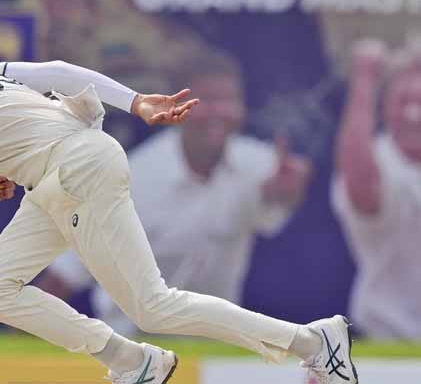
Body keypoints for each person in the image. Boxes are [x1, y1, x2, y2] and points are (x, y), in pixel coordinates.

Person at [0, 27, 358, 384]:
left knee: (152, 305)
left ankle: (315, 344)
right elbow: (61, 71)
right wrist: (135, 101)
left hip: (72, 172)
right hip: (62, 170)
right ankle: (131, 360)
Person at [39, 52, 312, 337]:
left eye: (229, 100)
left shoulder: (258, 164)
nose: (220, 111)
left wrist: (289, 193)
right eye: (207, 100)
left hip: (213, 345)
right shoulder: (132, 178)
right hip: (133, 347)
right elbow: (68, 272)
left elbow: (274, 207)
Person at [333, 38, 421, 339]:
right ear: (384, 107)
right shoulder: (377, 160)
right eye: (403, 101)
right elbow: (363, 189)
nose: (413, 114)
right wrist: (364, 82)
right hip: (383, 340)